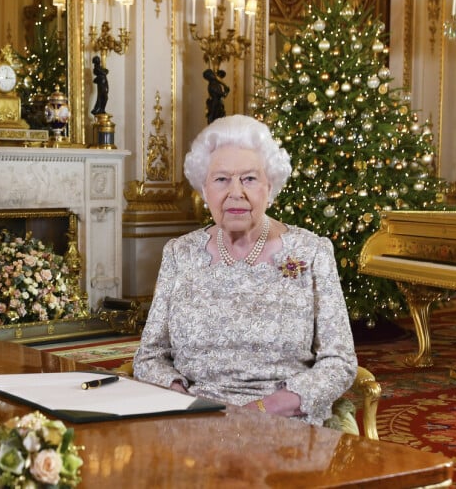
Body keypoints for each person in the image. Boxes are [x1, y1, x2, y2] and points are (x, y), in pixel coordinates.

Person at [134, 114, 357, 427]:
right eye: (221, 179)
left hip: (284, 422)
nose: (235, 192)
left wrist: (264, 409)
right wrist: (179, 398)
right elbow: (149, 356)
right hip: (195, 419)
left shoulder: (311, 252)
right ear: (204, 189)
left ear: (270, 185)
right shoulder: (179, 253)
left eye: (249, 179)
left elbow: (340, 362)